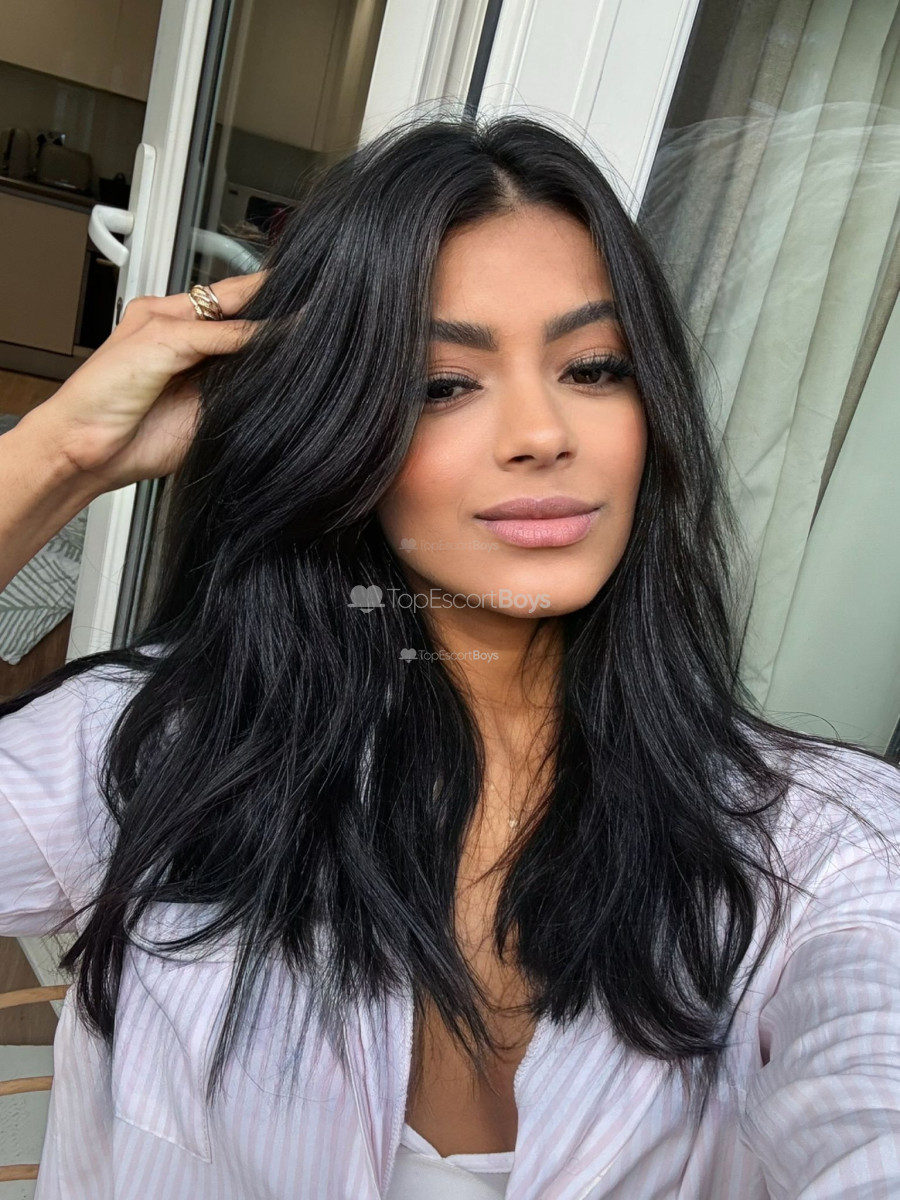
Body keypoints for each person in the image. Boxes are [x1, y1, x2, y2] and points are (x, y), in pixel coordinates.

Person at [1, 110, 899, 1200]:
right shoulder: (164, 752)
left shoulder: (824, 850)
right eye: (442, 384)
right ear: (342, 434)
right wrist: (62, 454)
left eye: (594, 367)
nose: (542, 434)